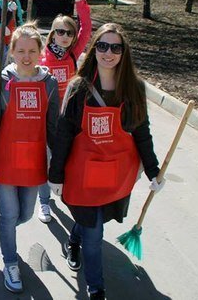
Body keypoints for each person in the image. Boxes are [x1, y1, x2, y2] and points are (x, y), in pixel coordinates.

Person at [48, 23, 164, 300]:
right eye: (102, 46)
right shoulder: (79, 88)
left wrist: (153, 170)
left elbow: (141, 131)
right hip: (81, 173)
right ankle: (96, 288)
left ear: (124, 53)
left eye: (115, 47)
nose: (108, 53)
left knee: (93, 220)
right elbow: (63, 134)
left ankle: (72, 242)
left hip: (115, 173)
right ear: (94, 49)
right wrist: (55, 175)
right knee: (94, 231)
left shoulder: (133, 88)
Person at [0, 24, 59, 294]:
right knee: (9, 213)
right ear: (11, 52)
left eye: (32, 51)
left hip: (34, 162)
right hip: (5, 161)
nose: (26, 56)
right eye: (20, 50)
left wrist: (58, 166)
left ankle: (7, 232)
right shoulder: (0, 81)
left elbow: (53, 127)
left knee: (23, 214)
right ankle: (10, 262)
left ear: (40, 53)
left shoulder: (50, 84)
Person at [37, 0, 92, 223]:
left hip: (68, 117)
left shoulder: (72, 53)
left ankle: (64, 193)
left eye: (69, 33)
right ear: (52, 33)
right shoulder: (42, 57)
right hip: (47, 118)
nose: (65, 36)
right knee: (46, 159)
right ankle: (43, 202)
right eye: (60, 32)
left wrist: (80, 2)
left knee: (65, 157)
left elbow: (87, 29)